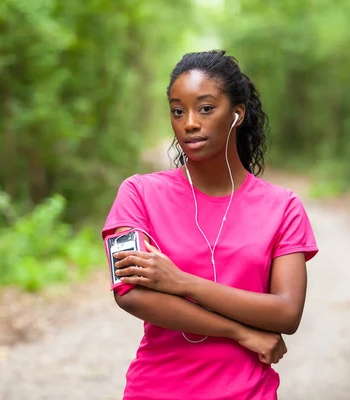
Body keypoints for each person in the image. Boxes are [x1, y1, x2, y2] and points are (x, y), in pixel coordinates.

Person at [101, 50, 318, 400]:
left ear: (236, 114)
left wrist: (180, 281)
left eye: (205, 108)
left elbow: (287, 312)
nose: (189, 122)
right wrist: (239, 331)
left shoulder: (283, 208)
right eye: (177, 110)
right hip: (156, 390)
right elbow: (132, 295)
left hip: (249, 393)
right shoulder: (138, 193)